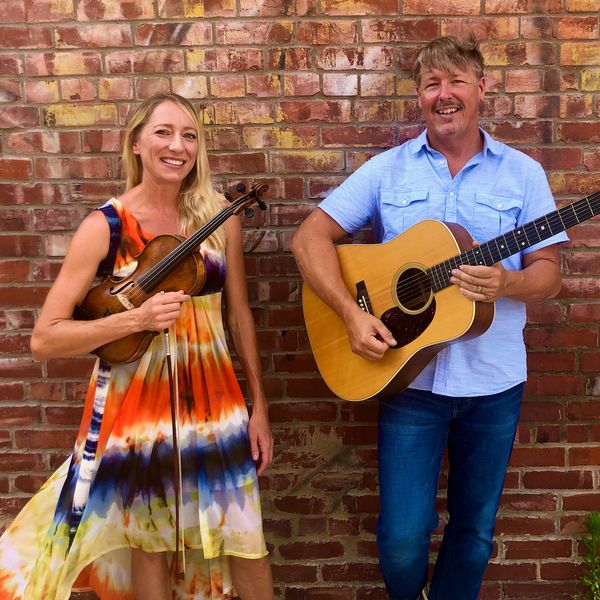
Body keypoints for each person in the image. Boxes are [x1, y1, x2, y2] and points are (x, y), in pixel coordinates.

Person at [292, 35, 567, 600]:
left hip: (494, 384)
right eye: (431, 84)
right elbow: (308, 238)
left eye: (457, 81)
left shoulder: (524, 174)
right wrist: (350, 314)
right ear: (419, 95)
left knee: (474, 532)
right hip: (408, 380)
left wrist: (509, 282)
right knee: (400, 538)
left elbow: (549, 273)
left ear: (482, 89)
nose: (444, 95)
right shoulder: (386, 171)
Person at [0, 93, 274, 600]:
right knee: (149, 542)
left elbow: (239, 316)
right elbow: (45, 337)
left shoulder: (221, 217)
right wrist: (135, 319)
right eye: (163, 132)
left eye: (189, 135)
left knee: (242, 534)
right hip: (136, 406)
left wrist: (259, 407)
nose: (178, 146)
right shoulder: (105, 225)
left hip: (216, 402)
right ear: (136, 143)